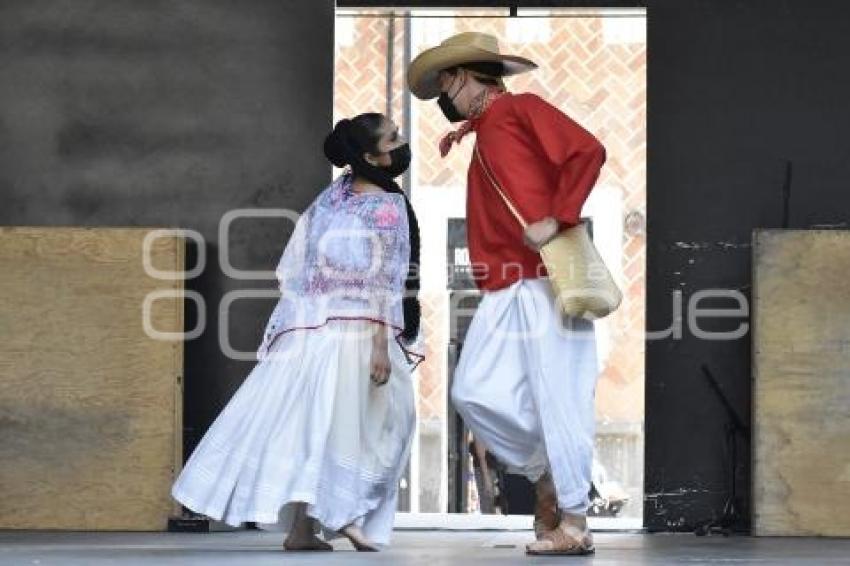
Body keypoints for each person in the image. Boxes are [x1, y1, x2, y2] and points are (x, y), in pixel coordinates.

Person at [170, 113, 425, 552]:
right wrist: (382, 345)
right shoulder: (388, 205)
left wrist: (296, 322)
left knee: (317, 425)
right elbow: (387, 278)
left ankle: (302, 531)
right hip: (359, 332)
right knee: (379, 422)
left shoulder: (333, 196)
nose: (400, 143)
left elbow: (299, 266)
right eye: (393, 139)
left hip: (313, 327)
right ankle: (342, 513)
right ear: (371, 157)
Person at [407, 31, 606, 556]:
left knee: (561, 398)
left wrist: (556, 218)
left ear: (463, 78)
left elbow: (588, 150)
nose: (444, 99)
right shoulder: (488, 128)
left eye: (445, 86)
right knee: (473, 391)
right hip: (505, 283)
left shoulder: (520, 110)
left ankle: (575, 522)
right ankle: (545, 476)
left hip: (544, 276)